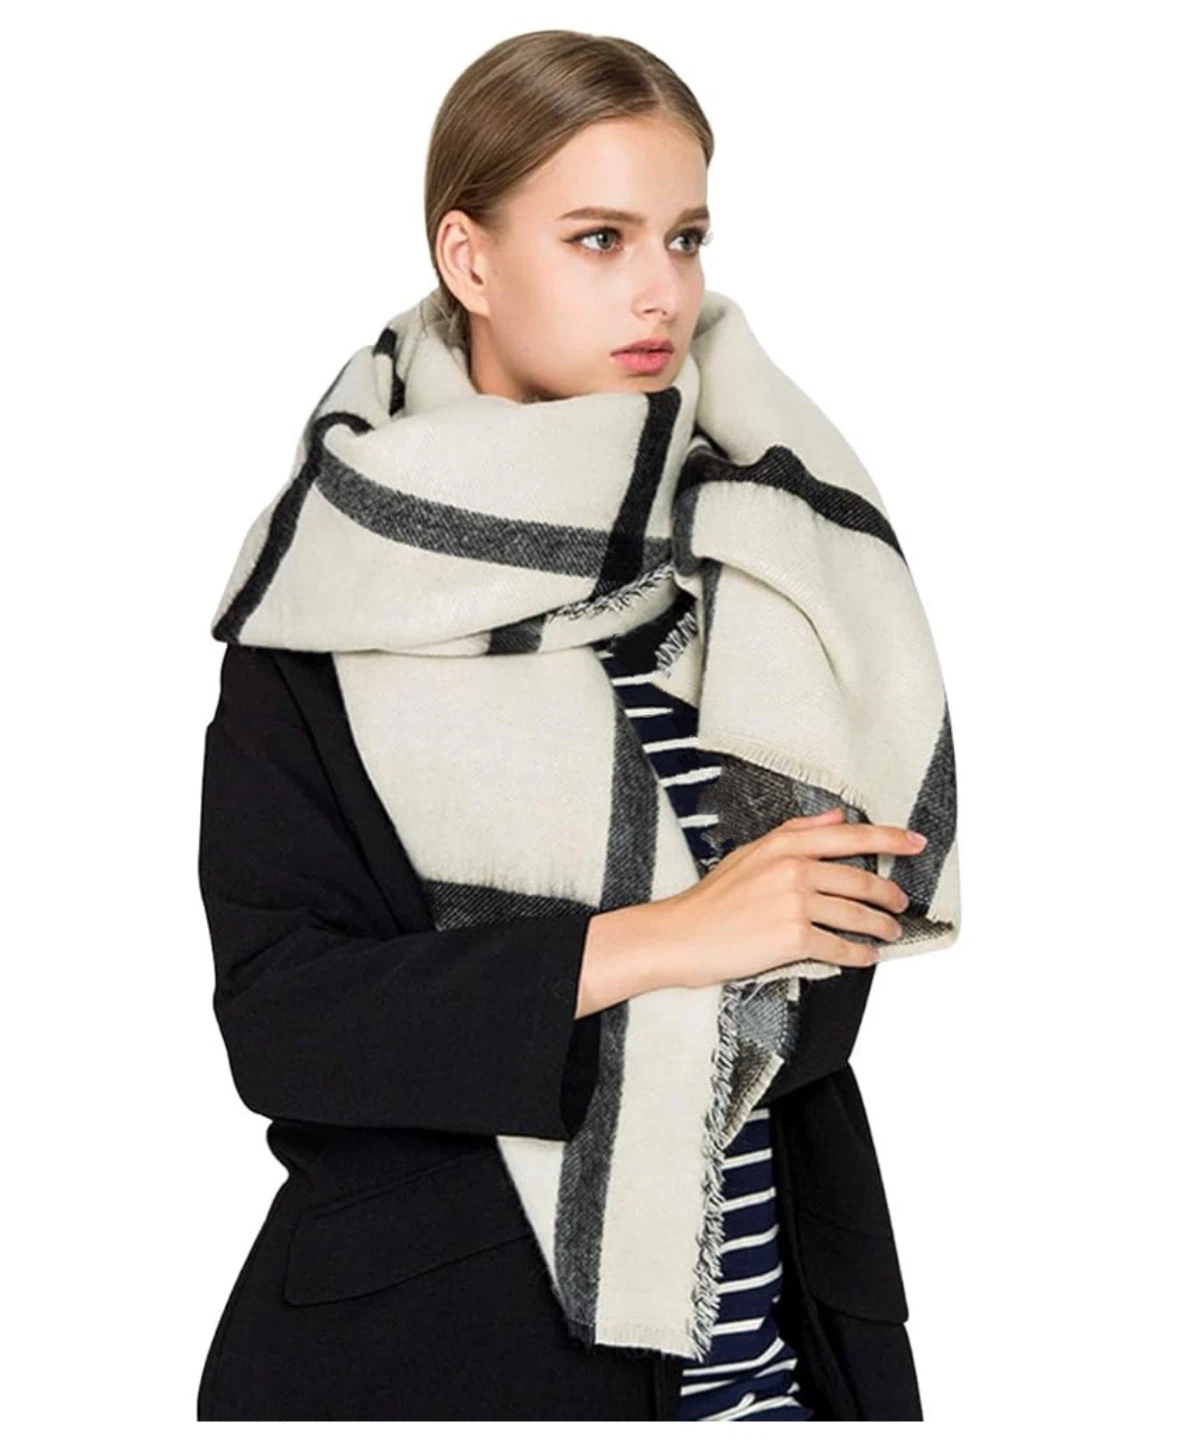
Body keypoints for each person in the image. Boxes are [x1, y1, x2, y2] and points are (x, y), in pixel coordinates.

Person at [196, 29, 937, 1422]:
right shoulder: (328, 606)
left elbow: (822, 966)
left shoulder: (761, 562)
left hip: (782, 1355)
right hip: (457, 1357)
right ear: (469, 259)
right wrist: (672, 936)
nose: (661, 290)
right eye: (600, 238)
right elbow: (287, 1025)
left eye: (685, 237)